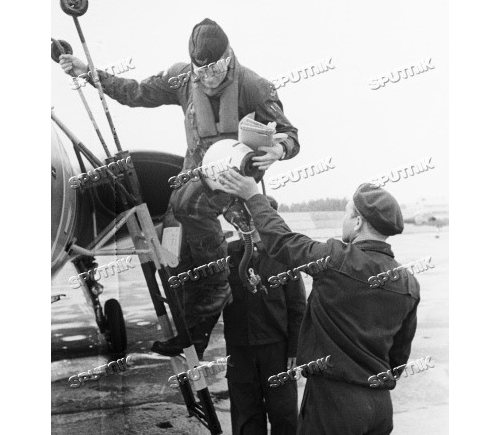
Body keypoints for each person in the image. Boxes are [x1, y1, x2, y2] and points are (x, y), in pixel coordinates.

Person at [59, 18, 300, 357]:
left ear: (227, 57)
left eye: (214, 69)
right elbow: (134, 93)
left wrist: (277, 149)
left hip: (234, 174)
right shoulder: (183, 78)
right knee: (171, 244)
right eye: (201, 71)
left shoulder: (255, 86)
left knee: (193, 210)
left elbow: (291, 135)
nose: (208, 77)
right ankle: (193, 329)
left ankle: (216, 287)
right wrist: (86, 71)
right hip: (193, 173)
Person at [217, 170, 421, 435]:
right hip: (380, 407)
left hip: (335, 405)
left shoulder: (336, 259)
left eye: (347, 213)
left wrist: (253, 196)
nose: (344, 220)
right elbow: (398, 358)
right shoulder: (408, 283)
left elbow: (282, 242)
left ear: (358, 222)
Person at [223, 196, 306, 435]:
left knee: (284, 416)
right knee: (246, 419)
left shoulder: (284, 258)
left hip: (276, 351)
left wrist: (294, 350)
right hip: (239, 350)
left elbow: (298, 307)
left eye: (255, 220)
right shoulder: (227, 256)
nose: (249, 227)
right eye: (243, 221)